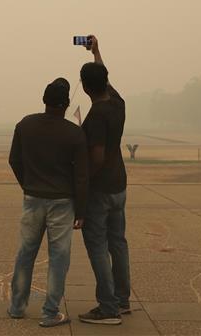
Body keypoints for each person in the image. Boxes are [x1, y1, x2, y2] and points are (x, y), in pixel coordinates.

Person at [7, 78, 88, 328]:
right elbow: (81, 176)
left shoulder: (25, 125)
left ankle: (17, 307)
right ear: (66, 104)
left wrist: (28, 184)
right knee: (59, 257)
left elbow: (14, 160)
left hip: (32, 198)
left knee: (25, 254)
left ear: (44, 100)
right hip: (63, 201)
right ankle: (50, 311)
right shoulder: (74, 133)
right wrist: (82, 210)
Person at [77, 35, 131, 325]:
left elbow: (96, 157)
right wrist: (96, 52)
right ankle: (122, 300)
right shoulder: (118, 103)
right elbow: (104, 79)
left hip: (100, 189)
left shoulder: (97, 115)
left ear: (85, 87)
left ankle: (108, 307)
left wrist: (83, 185)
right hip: (119, 185)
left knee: (97, 246)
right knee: (118, 243)